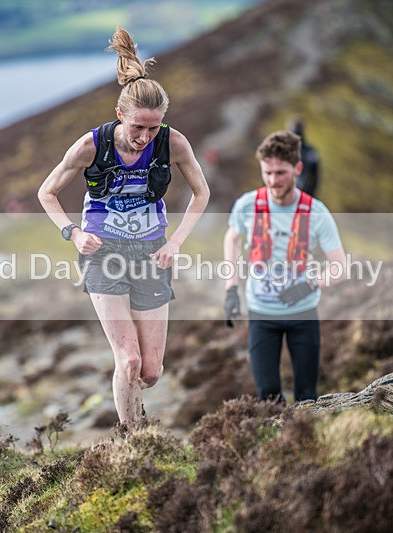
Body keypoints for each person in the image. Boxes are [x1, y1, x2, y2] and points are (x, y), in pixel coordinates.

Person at [37, 26, 210, 429]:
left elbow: (201, 194)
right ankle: (133, 441)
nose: (144, 138)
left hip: (152, 253)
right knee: (128, 360)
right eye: (137, 128)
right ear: (120, 115)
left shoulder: (174, 143)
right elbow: (47, 193)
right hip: (103, 255)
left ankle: (135, 411)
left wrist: (177, 243)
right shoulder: (90, 146)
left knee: (151, 371)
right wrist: (74, 233)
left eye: (153, 128)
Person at [223, 130, 345, 403]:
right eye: (267, 173)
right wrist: (231, 288)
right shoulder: (246, 205)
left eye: (280, 173)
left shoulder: (317, 213)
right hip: (261, 315)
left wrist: (310, 285)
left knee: (307, 398)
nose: (273, 181)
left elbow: (340, 266)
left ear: (297, 169)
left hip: (304, 314)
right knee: (268, 398)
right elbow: (231, 238)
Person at [290, 118, 320, 197]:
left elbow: (315, 176)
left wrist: (310, 193)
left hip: (305, 193)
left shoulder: (310, 152)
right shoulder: (282, 150)